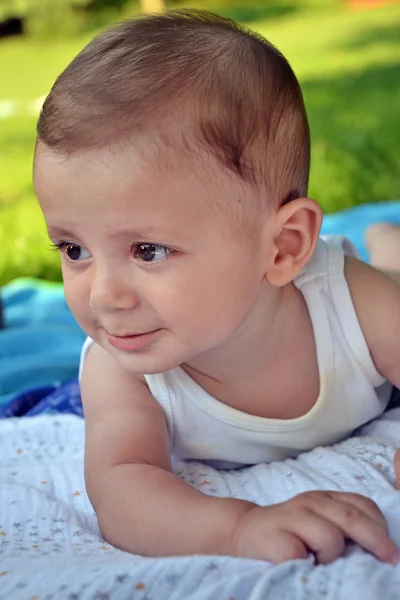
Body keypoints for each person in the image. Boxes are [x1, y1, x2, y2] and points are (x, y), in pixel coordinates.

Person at [33, 9, 400, 565]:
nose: (103, 296)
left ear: (283, 248)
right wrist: (237, 529)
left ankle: (387, 242)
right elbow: (125, 494)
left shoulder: (347, 300)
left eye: (148, 250)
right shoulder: (122, 367)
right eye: (73, 250)